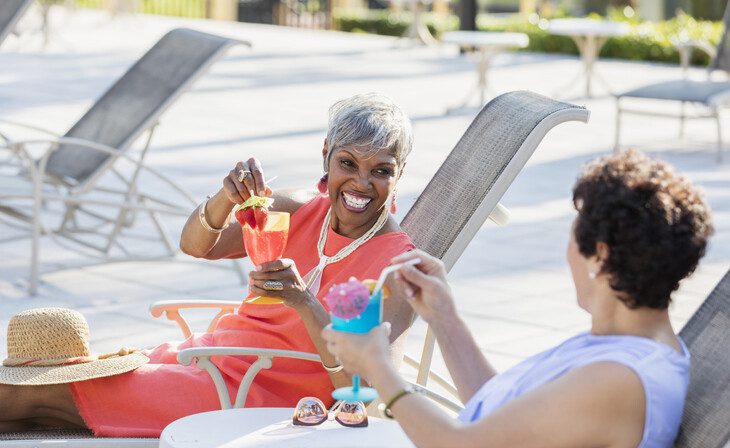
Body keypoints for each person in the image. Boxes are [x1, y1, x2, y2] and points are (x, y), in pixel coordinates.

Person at [0, 93, 416, 437]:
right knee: (38, 382)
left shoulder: (399, 268)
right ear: (326, 156)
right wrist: (226, 197)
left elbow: (363, 392)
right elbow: (197, 246)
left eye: (380, 170)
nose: (362, 183)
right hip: (207, 358)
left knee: (29, 397)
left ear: (399, 175)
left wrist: (305, 303)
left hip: (250, 395)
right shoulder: (301, 208)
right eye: (348, 163)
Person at [323, 150, 713, 448]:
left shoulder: (619, 378)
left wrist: (379, 368)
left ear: (601, 255)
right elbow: (499, 416)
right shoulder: (622, 346)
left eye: (573, 237)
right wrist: (444, 318)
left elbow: (465, 445)